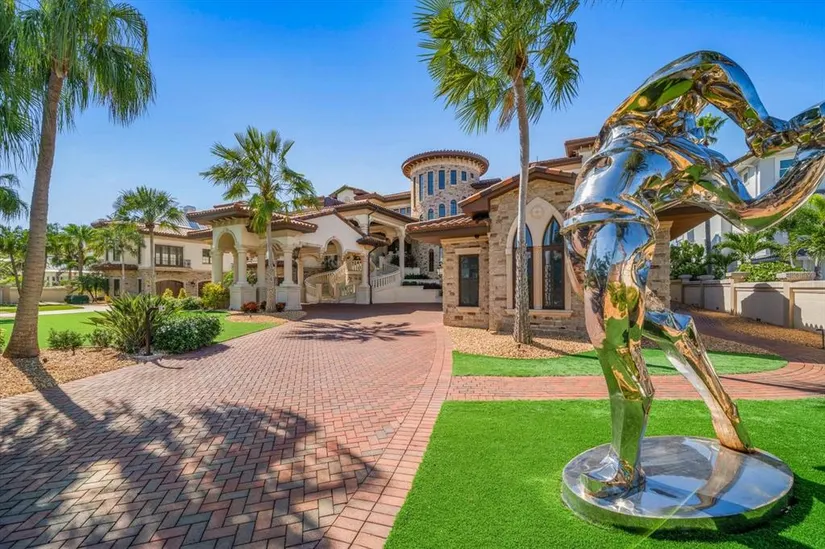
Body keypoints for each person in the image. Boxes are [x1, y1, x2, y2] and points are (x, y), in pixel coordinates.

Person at [562, 50, 825, 498]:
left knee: (613, 346)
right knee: (658, 327)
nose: (685, 111)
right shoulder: (625, 124)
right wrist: (762, 125)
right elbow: (707, 64)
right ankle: (726, 412)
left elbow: (756, 214)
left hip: (619, 230)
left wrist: (814, 153)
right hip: (576, 237)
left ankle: (624, 467)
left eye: (692, 111)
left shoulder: (697, 161)